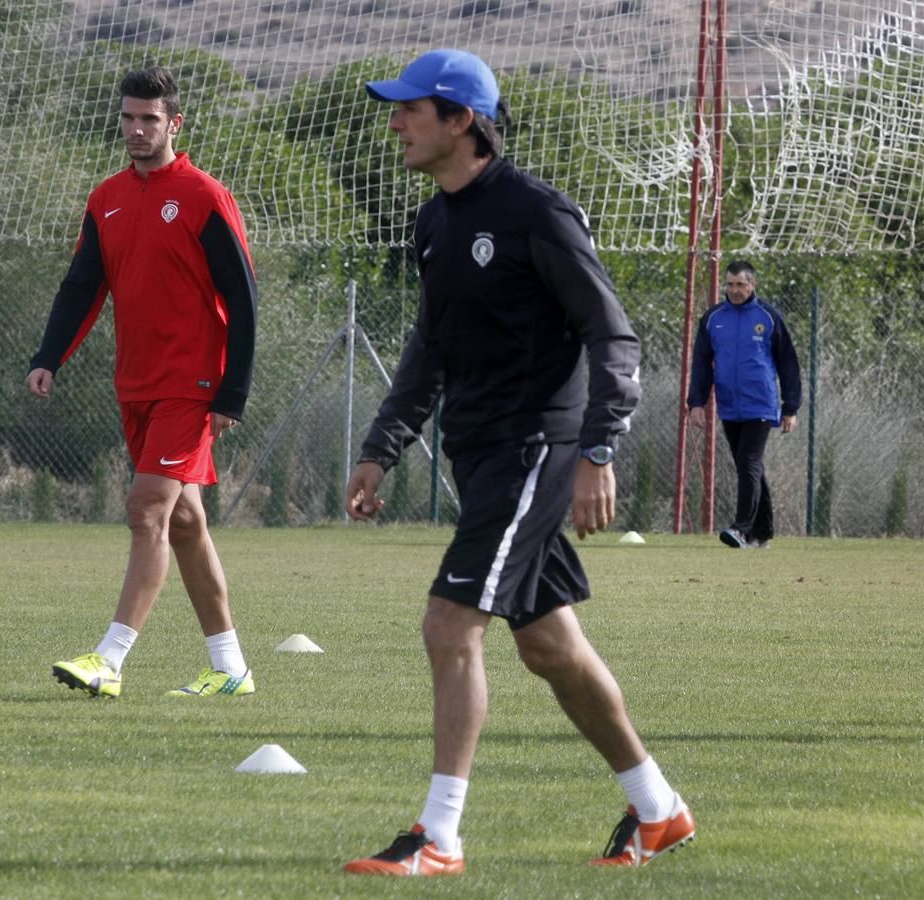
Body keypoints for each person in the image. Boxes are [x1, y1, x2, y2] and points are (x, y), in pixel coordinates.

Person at [341, 49, 694, 877]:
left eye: (410, 109)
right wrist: (379, 449)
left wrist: (599, 449)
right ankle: (658, 810)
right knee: (549, 648)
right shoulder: (434, 222)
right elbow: (428, 350)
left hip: (538, 448)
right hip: (481, 455)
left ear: (461, 121)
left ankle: (438, 837)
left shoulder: (536, 212)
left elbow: (614, 334)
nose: (395, 123)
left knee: (448, 624)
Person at [27, 66, 258, 699]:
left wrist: (231, 393)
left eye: (149, 119)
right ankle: (231, 667)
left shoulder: (206, 195)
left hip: (194, 383)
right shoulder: (106, 198)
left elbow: (242, 296)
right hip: (135, 383)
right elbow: (82, 286)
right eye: (128, 117)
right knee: (184, 522)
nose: (136, 128)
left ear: (173, 123)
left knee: (145, 509)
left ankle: (110, 659)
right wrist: (49, 355)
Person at [687, 261, 801, 549]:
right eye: (730, 284)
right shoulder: (714, 318)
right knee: (750, 466)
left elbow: (789, 363)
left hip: (760, 405)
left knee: (748, 462)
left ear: (753, 285)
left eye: (740, 284)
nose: (734, 290)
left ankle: (742, 529)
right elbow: (701, 363)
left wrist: (791, 407)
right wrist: (696, 403)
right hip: (729, 405)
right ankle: (763, 532)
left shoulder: (768, 317)